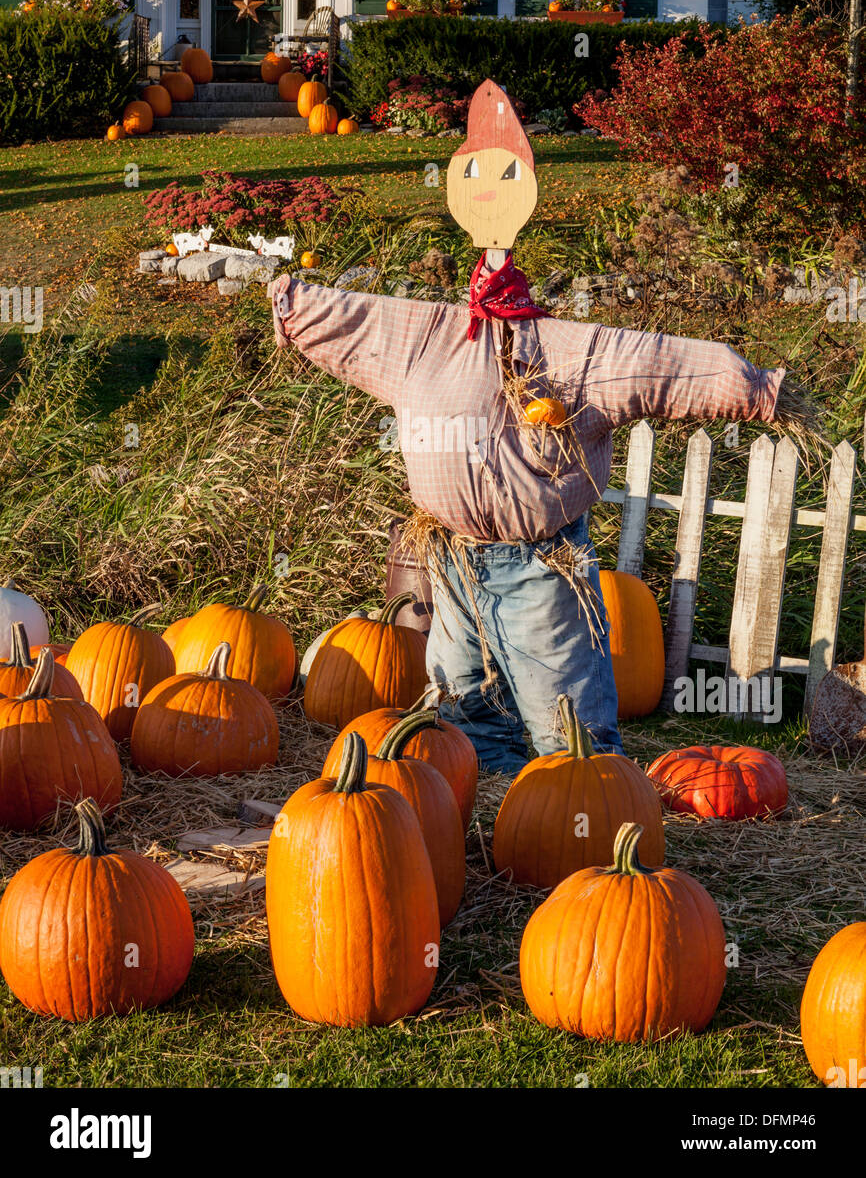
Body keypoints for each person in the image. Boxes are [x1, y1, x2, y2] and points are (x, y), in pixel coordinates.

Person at [270, 80, 792, 774]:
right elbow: (356, 322)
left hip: (539, 565)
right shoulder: (425, 338)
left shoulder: (565, 354)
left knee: (565, 724)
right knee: (462, 712)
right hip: (450, 557)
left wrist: (751, 390)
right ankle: (489, 818)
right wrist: (291, 302)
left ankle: (579, 822)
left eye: (504, 174)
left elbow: (651, 364)